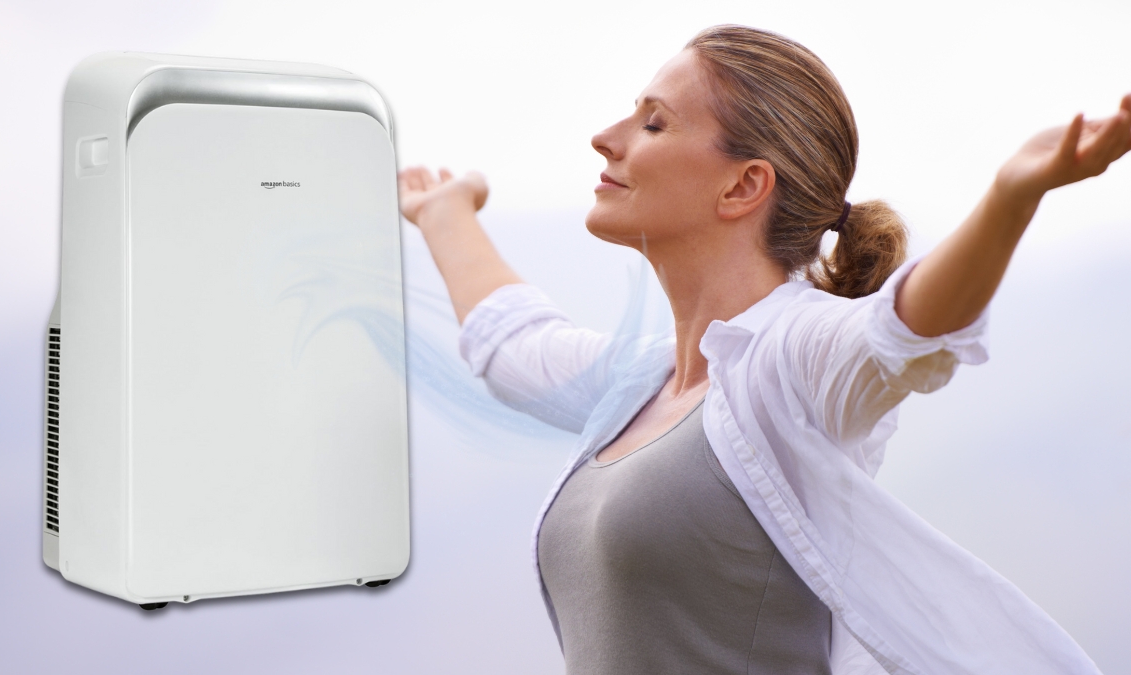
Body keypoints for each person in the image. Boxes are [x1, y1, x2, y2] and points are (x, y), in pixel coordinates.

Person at [398, 24, 1130, 675]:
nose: (606, 137)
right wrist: (443, 212)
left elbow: (903, 333)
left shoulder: (789, 357)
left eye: (653, 123)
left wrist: (1010, 198)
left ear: (743, 185)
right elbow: (513, 342)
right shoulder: (638, 383)